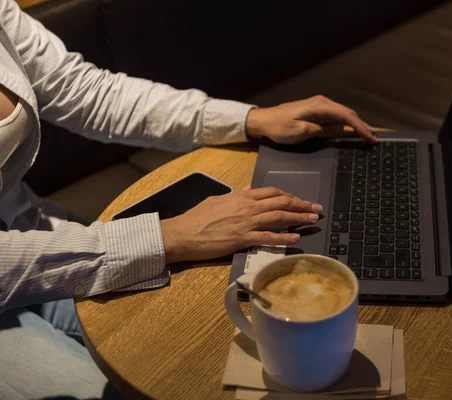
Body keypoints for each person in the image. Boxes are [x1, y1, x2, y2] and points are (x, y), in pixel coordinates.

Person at [0, 0, 376, 397]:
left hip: (34, 231)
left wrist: (250, 120)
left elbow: (87, 92)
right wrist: (171, 237)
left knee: (202, 343)